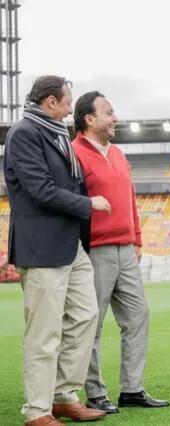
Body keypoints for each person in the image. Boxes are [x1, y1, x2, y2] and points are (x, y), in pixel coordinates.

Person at [3, 75, 110, 425]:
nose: (70, 109)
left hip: (70, 244)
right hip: (42, 247)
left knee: (85, 317)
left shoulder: (56, 134)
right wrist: (88, 203)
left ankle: (64, 394)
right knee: (44, 333)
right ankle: (37, 411)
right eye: (67, 102)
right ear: (50, 102)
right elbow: (41, 190)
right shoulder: (24, 134)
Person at [71, 91, 170, 414]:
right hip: (94, 251)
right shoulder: (73, 154)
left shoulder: (119, 154)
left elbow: (129, 200)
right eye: (109, 112)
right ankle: (96, 393)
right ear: (89, 119)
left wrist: (137, 238)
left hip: (126, 249)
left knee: (138, 316)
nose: (115, 118)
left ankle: (132, 388)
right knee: (92, 324)